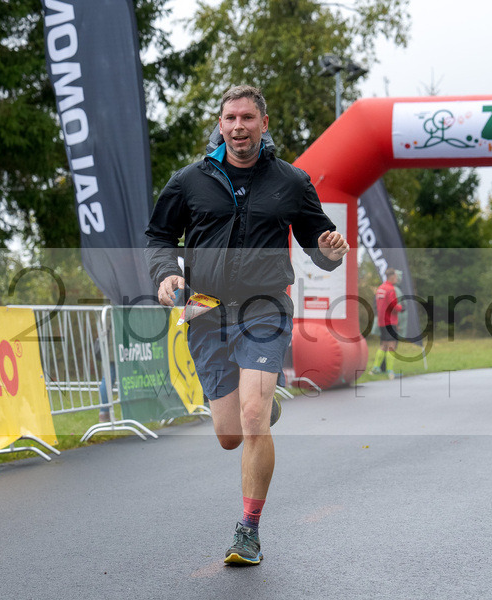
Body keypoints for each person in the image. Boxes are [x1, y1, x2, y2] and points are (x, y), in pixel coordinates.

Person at [144, 85, 349, 566]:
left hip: (264, 306)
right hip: (204, 309)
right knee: (230, 434)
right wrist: (164, 273)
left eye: (248, 118)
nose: (239, 126)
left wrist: (330, 252)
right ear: (220, 124)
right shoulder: (189, 181)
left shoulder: (291, 181)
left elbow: (317, 238)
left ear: (264, 122)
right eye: (230, 118)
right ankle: (261, 408)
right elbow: (158, 236)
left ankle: (249, 531)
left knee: (252, 417)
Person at [371, 268, 403, 379]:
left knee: (383, 344)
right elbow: (393, 306)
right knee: (392, 346)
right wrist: (401, 308)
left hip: (381, 321)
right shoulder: (390, 289)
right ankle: (390, 371)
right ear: (392, 277)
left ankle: (375, 368)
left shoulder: (380, 289)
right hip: (390, 321)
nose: (397, 279)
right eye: (396, 277)